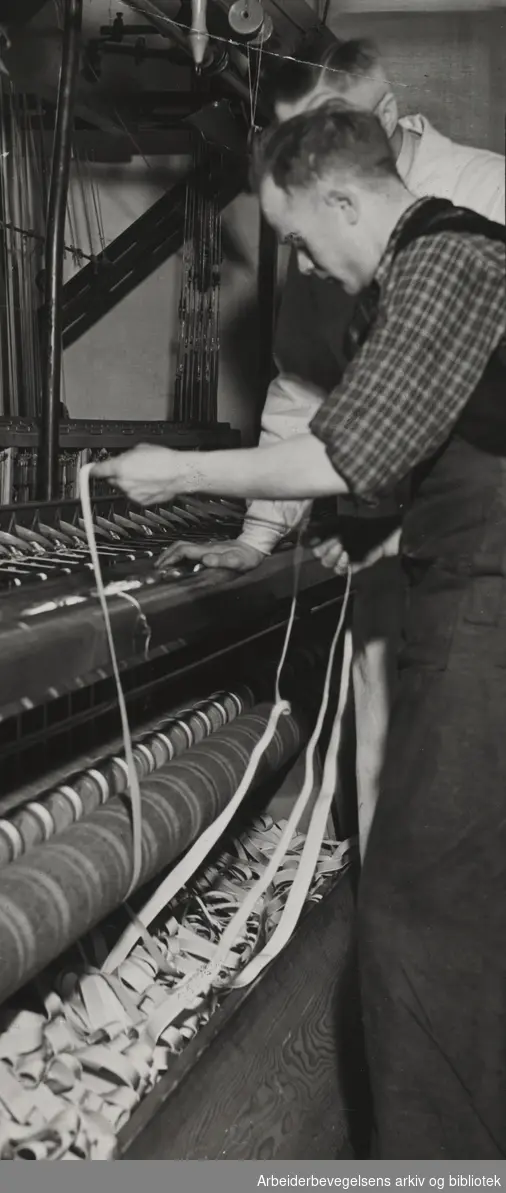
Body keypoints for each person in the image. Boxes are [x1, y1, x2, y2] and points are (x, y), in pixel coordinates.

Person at [94, 102, 506, 1158]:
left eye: (297, 238)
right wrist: (340, 537)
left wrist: (177, 468)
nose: (303, 264)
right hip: (463, 587)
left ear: (340, 195)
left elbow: (344, 453)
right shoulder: (411, 279)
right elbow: (414, 450)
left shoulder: (446, 260)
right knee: (447, 892)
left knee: (423, 908)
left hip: (489, 602)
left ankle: (435, 1170)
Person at [154, 38, 506, 856]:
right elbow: (304, 389)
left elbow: (360, 441)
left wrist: (178, 471)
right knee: (390, 759)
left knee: (462, 808)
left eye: (313, 141)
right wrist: (256, 537)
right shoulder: (333, 240)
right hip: (403, 545)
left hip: (476, 545)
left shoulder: (476, 207)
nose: (297, 163)